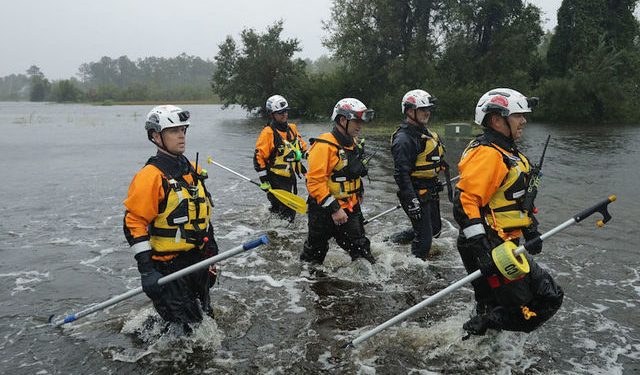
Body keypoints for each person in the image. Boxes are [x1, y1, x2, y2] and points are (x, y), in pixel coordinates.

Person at [452, 88, 563, 336]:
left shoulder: (508, 152)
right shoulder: (489, 154)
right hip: (491, 245)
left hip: (503, 242)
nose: (523, 121)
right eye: (517, 115)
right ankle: (484, 326)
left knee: (494, 303)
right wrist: (482, 250)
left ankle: (478, 339)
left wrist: (530, 227)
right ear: (496, 119)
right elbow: (464, 202)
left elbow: (511, 199)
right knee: (546, 300)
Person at [123, 105, 219, 329]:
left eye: (183, 130)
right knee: (187, 330)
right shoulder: (150, 177)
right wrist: (147, 271)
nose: (181, 136)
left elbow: (203, 215)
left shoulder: (192, 169)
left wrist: (212, 254)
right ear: (156, 137)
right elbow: (133, 224)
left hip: (197, 260)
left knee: (206, 319)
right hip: (168, 267)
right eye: (173, 131)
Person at [300, 98, 376, 265]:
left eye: (360, 121)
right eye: (356, 121)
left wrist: (359, 192)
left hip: (349, 208)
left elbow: (351, 173)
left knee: (363, 255)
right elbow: (314, 182)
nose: (360, 126)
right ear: (342, 120)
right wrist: (335, 209)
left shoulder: (353, 144)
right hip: (323, 211)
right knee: (314, 256)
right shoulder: (324, 146)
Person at [390, 89, 446, 260]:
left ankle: (390, 241)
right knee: (424, 241)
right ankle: (415, 267)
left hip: (429, 190)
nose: (427, 113)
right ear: (409, 111)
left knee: (435, 229)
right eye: (423, 109)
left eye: (428, 109)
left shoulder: (427, 135)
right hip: (414, 193)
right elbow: (401, 174)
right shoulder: (403, 139)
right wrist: (412, 200)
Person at [254, 95, 308, 221]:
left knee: (279, 211)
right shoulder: (268, 133)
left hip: (289, 175)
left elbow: (301, 147)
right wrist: (264, 181)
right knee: (288, 212)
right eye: (280, 112)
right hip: (274, 178)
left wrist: (309, 155)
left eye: (286, 111)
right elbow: (258, 158)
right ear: (272, 114)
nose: (284, 114)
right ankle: (283, 233)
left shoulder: (292, 129)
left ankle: (274, 230)